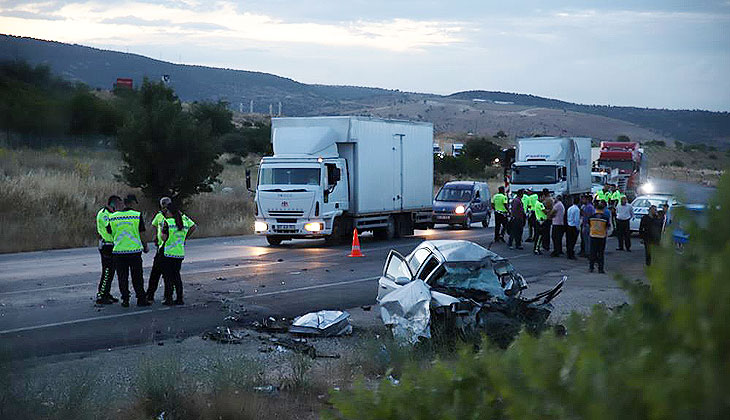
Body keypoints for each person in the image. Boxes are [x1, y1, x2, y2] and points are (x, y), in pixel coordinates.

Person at [108, 194, 149, 307]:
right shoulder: (136, 215)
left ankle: (125, 299)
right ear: (131, 203)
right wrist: (145, 246)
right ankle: (141, 299)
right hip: (134, 251)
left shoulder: (113, 217)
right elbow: (142, 233)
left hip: (119, 252)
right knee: (137, 277)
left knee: (122, 277)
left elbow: (109, 231)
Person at [160, 202, 196, 305]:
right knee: (176, 276)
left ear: (170, 212)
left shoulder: (167, 222)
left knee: (168, 277)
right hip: (179, 253)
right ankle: (179, 298)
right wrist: (184, 238)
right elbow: (193, 227)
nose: (166, 213)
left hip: (168, 253)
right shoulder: (184, 222)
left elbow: (164, 238)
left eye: (167, 211)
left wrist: (162, 233)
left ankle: (168, 298)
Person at [95, 195, 121, 304]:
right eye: (119, 204)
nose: (120, 206)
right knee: (106, 271)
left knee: (111, 272)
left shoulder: (111, 214)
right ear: (113, 204)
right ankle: (101, 295)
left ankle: (106, 292)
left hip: (112, 245)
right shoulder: (104, 214)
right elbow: (109, 229)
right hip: (107, 245)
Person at [146, 197, 172, 303]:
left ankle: (168, 296)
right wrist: (155, 237)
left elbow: (191, 226)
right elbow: (154, 226)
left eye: (166, 204)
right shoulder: (159, 216)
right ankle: (150, 294)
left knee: (168, 274)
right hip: (160, 248)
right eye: (163, 204)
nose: (164, 207)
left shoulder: (176, 215)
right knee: (155, 273)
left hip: (170, 249)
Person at [589, 201, 611, 273]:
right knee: (601, 253)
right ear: (603, 209)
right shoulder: (605, 218)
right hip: (601, 236)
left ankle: (591, 267)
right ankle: (600, 269)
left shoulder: (591, 217)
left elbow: (589, 225)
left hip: (593, 236)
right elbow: (608, 226)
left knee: (592, 252)